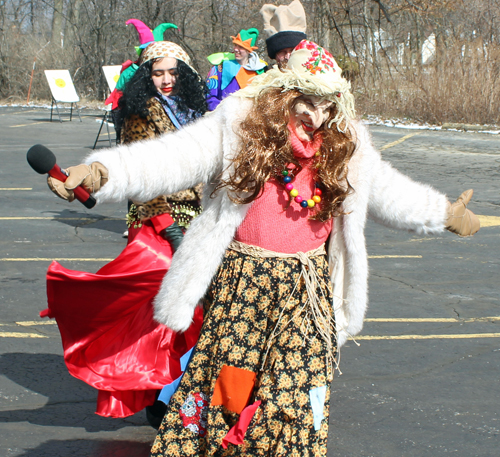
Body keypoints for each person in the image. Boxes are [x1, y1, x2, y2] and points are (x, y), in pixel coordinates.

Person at [45, 40, 479, 456]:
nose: (317, 113)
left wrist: (444, 214)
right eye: (307, 100)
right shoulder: (240, 127)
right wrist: (104, 173)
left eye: (328, 103)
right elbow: (171, 158)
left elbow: (388, 191)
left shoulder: (346, 145)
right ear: (283, 92)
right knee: (228, 396)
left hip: (307, 292)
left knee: (295, 404)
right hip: (244, 287)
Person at [41, 39, 207, 425]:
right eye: (157, 72)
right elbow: (138, 173)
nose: (166, 80)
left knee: (186, 312)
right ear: (145, 76)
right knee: (169, 310)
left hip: (195, 221)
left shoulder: (193, 112)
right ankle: (162, 396)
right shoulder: (138, 112)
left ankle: (168, 393)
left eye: (172, 71)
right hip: (158, 225)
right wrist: (168, 229)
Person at [206, 28, 267, 110]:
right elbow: (209, 97)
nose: (236, 49)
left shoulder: (260, 72)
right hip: (221, 117)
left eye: (241, 47)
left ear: (249, 51)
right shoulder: (219, 68)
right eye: (235, 45)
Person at [260, 0, 307, 68]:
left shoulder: (316, 75)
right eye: (282, 52)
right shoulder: (264, 77)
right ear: (275, 55)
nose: (287, 57)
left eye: (292, 50)